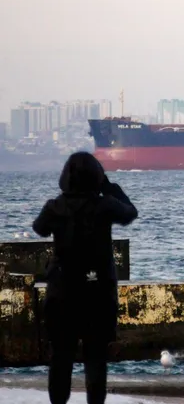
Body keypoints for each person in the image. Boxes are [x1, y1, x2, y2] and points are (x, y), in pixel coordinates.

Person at [33, 151, 138, 404]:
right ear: (96, 177)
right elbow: (130, 213)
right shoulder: (105, 205)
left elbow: (40, 228)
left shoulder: (55, 206)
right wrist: (109, 188)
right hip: (97, 293)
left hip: (62, 292)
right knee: (96, 361)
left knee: (60, 359)